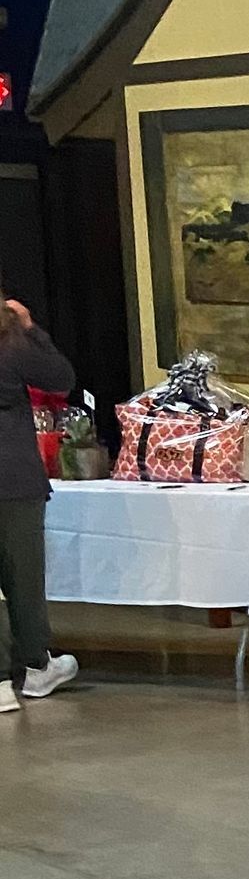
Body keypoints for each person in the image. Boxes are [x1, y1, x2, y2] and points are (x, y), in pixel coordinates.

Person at [0, 298, 81, 713]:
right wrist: (30, 327)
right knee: (23, 578)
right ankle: (35, 667)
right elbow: (60, 378)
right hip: (13, 476)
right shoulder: (11, 342)